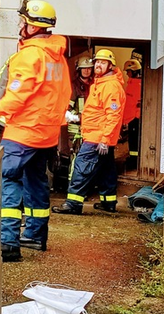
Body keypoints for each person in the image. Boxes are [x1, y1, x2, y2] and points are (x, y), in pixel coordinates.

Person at [0, 0, 71, 262]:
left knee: (9, 182)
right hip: (47, 135)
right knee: (37, 182)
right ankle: (36, 236)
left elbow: (17, 96)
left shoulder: (30, 55)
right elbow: (64, 95)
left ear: (32, 27)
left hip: (22, 133)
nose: (19, 26)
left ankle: (8, 243)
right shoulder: (58, 57)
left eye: (23, 22)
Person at [52, 48, 126, 215]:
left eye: (103, 62)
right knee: (107, 170)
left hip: (98, 137)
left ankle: (73, 203)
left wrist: (105, 139)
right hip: (99, 136)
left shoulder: (110, 87)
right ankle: (109, 202)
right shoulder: (101, 83)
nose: (98, 65)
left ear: (111, 65)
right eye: (97, 62)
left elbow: (113, 115)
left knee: (82, 166)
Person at [122, 59, 143, 168]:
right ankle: (133, 158)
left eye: (128, 71)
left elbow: (138, 103)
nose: (126, 73)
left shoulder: (138, 84)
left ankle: (134, 161)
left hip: (135, 118)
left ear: (133, 71)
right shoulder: (131, 83)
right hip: (131, 118)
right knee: (132, 140)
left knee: (134, 140)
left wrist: (135, 117)